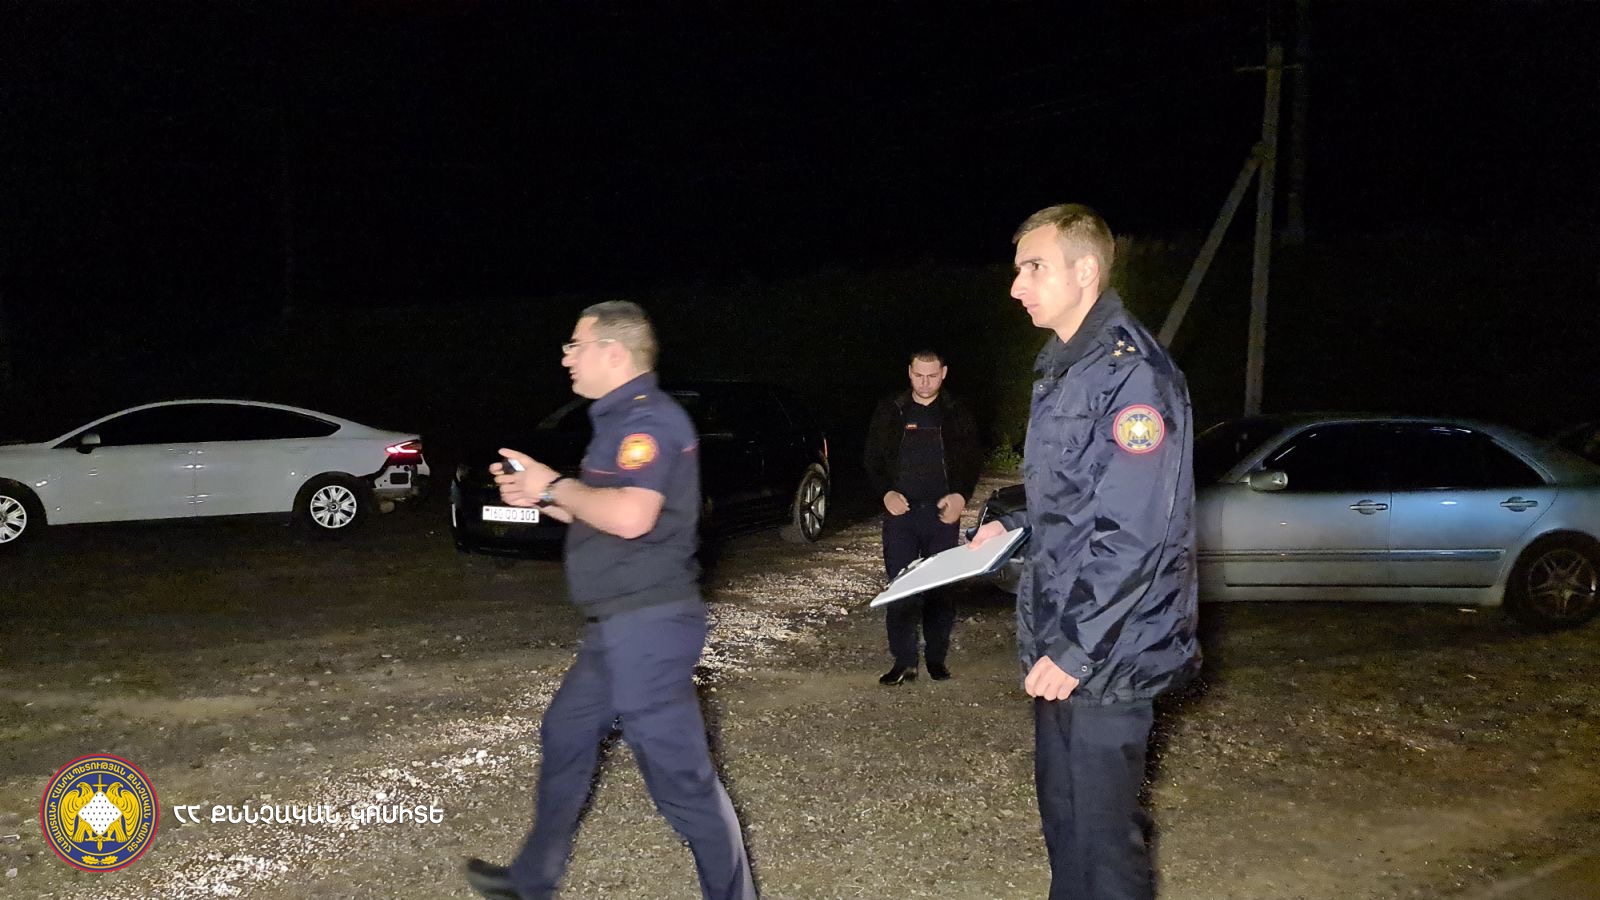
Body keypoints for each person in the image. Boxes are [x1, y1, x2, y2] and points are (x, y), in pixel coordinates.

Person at [464, 301, 757, 900]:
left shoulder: (650, 421)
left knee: (684, 786)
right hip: (617, 627)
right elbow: (600, 512)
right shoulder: (617, 420)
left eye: (575, 345)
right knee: (566, 734)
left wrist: (553, 484)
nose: (566, 357)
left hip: (648, 628)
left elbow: (631, 516)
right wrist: (542, 495)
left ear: (614, 353)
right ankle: (532, 880)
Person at [968, 205, 1201, 900]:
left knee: (1104, 848)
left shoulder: (1135, 376)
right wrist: (1010, 526)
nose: (1017, 286)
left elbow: (1134, 531)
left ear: (1086, 271)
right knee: (1065, 826)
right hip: (1063, 637)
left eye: (1034, 268)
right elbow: (1072, 497)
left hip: (1110, 651)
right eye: (1018, 269)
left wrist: (1075, 650)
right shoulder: (1066, 365)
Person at [863, 349, 982, 685]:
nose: (925, 382)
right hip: (902, 514)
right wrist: (886, 493)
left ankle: (936, 659)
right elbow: (872, 458)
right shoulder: (892, 409)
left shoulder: (956, 411)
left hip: (942, 514)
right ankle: (904, 661)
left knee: (940, 588)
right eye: (919, 375)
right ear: (909, 373)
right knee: (901, 587)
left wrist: (960, 496)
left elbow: (971, 458)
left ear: (943, 373)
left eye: (932, 376)